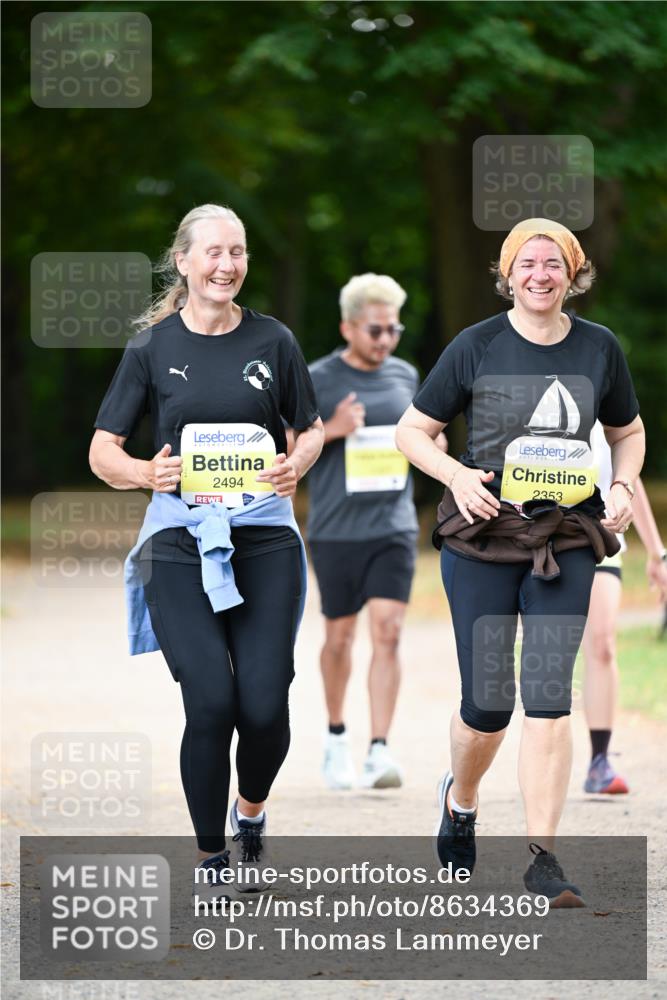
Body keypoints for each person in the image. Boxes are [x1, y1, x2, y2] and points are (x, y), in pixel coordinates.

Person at [396, 218, 645, 907]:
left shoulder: (598, 347)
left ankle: (543, 856)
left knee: (546, 698)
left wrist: (621, 485)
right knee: (487, 705)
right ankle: (462, 800)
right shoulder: (475, 345)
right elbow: (412, 431)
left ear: (573, 273)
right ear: (507, 274)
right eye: (527, 264)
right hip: (482, 539)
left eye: (554, 264)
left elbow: (627, 431)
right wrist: (455, 475)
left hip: (564, 539)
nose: (540, 275)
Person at [89, 204, 324, 894]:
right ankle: (211, 858)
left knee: (264, 701)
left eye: (238, 252)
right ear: (184, 262)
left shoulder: (273, 340)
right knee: (212, 701)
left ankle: (249, 814)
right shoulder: (152, 349)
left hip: (263, 537)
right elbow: (103, 450)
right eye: (213, 253)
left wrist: (297, 463)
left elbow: (307, 428)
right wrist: (143, 473)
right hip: (178, 540)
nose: (226, 265)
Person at [305, 273, 424, 790]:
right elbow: (286, 449)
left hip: (393, 526)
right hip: (335, 530)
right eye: (375, 330)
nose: (385, 340)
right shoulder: (316, 378)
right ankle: (336, 738)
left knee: (389, 632)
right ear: (348, 327)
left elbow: (421, 435)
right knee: (340, 636)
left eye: (393, 330)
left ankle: (379, 749)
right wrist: (330, 428)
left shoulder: (405, 375)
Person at [582, 422, 667, 794]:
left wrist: (656, 552)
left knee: (603, 643)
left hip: (602, 537)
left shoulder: (603, 389)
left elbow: (629, 478)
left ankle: (599, 761)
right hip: (543, 536)